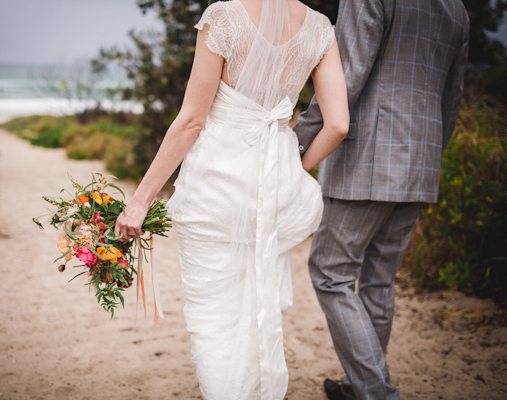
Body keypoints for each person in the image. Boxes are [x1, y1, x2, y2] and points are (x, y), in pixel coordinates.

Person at [115, 0, 348, 398]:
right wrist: (294, 169)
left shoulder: (224, 17)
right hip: (274, 187)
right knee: (255, 309)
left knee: (214, 321)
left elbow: (192, 120)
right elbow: (339, 125)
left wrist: (139, 202)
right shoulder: (320, 28)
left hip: (216, 188)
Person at [293, 0, 469, 399]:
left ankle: (375, 391)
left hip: (367, 159)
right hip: (421, 162)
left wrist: (295, 143)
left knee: (330, 273)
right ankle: (359, 386)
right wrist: (427, 157)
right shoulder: (457, 9)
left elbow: (346, 77)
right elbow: (452, 96)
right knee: (378, 280)